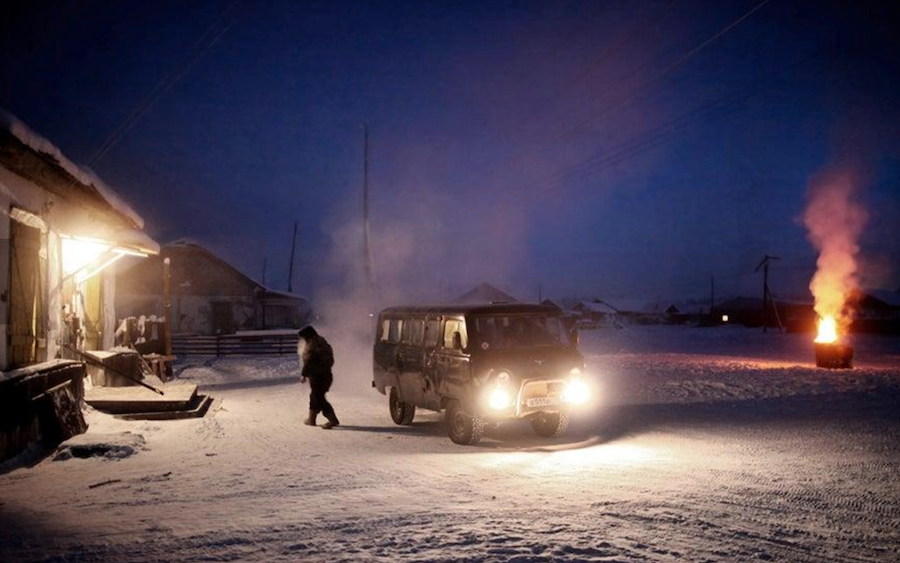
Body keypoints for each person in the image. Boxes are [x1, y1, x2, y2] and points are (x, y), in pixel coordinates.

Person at [297, 325, 340, 429]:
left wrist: (304, 374)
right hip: (326, 375)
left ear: (307, 336)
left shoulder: (312, 345)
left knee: (319, 398)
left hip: (318, 377)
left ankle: (332, 419)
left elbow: (309, 361)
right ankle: (311, 419)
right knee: (315, 396)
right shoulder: (322, 342)